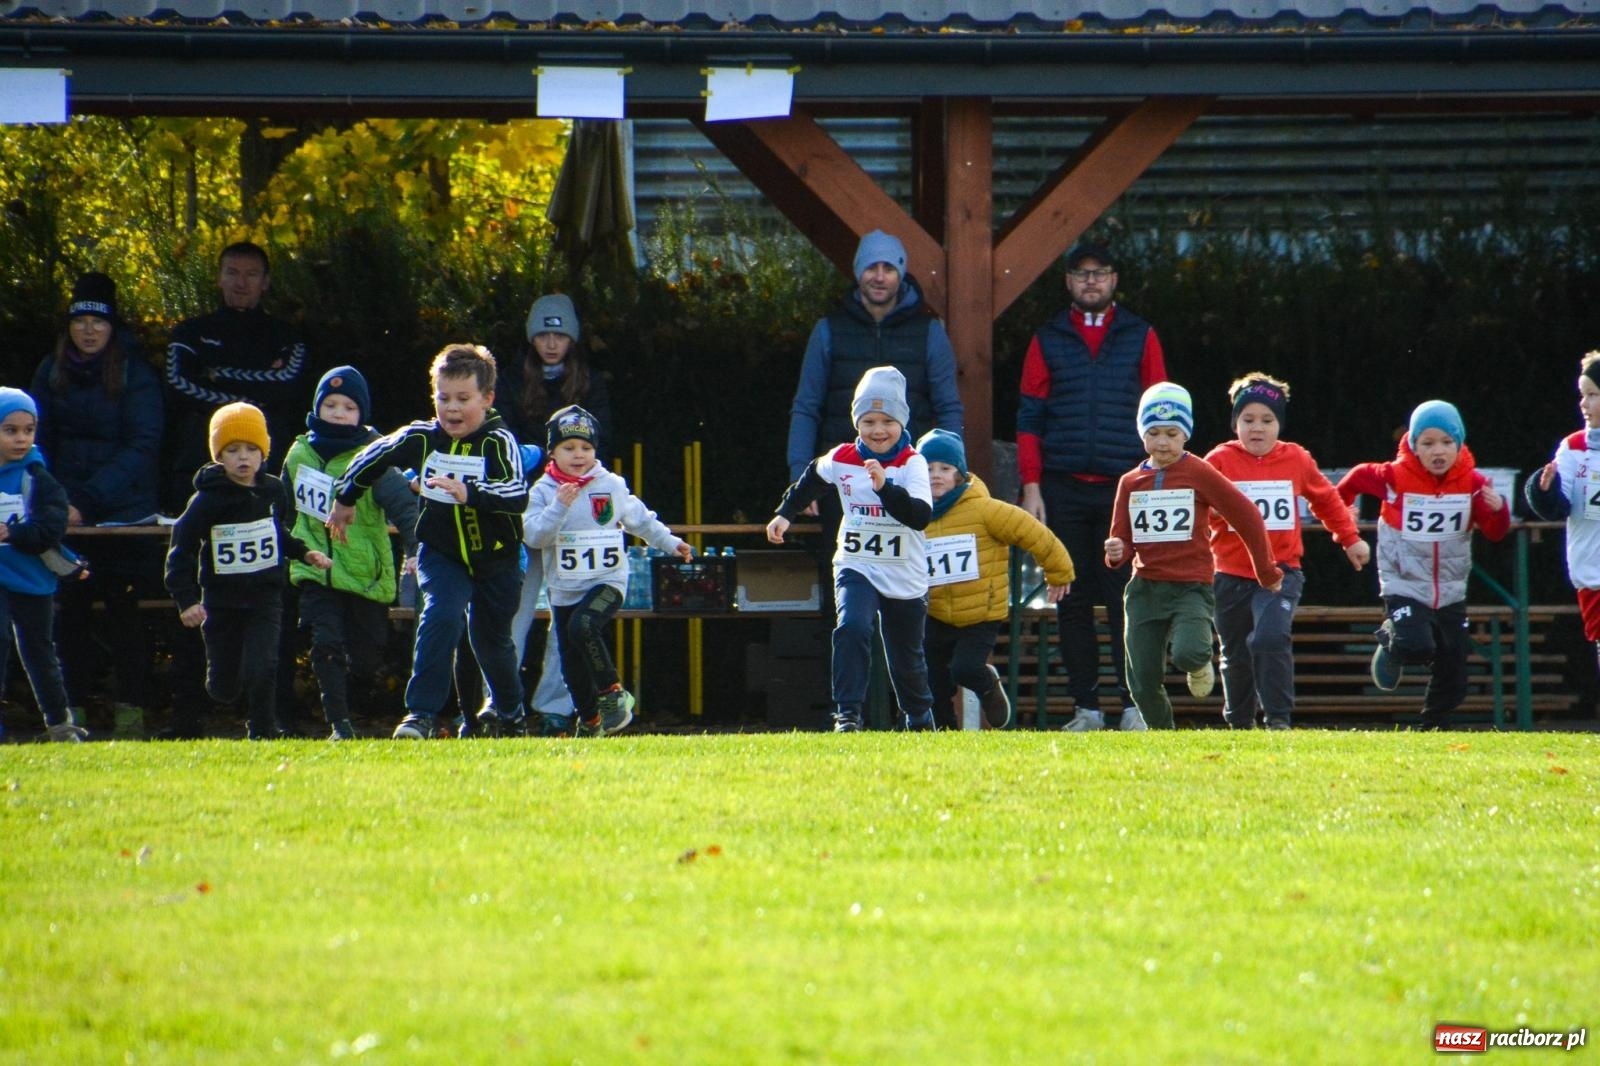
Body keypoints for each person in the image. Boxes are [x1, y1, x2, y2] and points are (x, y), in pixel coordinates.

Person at [329, 344, 528, 741]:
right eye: (443, 398)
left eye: (463, 399)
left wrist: (470, 492)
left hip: (497, 559)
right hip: (442, 552)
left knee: (491, 643)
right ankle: (420, 714)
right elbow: (373, 455)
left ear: (487, 399)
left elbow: (516, 491)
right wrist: (346, 497)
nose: (451, 409)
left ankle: (510, 711)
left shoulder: (499, 441)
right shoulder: (422, 437)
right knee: (440, 615)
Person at [1017, 241, 1168, 732]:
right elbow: (1029, 418)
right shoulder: (1047, 337)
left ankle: (1133, 706)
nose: (1090, 281)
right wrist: (1032, 486)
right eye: (1081, 273)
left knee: (1128, 598)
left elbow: (1161, 414)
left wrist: (1157, 479)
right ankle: (1086, 709)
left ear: (1114, 279)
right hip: (1062, 487)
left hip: (1125, 488)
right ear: (1068, 281)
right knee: (1071, 598)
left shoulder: (1141, 334)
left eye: (1099, 273)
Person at [162, 241, 311, 735]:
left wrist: (218, 377)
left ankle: (274, 716)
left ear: (266, 282)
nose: (241, 282)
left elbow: (289, 385)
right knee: (201, 597)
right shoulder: (191, 333)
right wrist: (252, 389)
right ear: (219, 276)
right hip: (202, 482)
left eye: (251, 273)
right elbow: (178, 385)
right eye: (232, 272)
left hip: (265, 486)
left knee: (273, 597)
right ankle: (188, 714)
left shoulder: (285, 336)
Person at [29, 271, 164, 739]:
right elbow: (36, 439)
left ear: (112, 326)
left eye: (98, 322)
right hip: (64, 511)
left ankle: (132, 712)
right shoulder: (50, 370)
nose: (88, 330)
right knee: (70, 613)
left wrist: (87, 500)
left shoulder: (135, 373)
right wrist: (57, 499)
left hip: (124, 513)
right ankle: (72, 713)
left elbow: (142, 444)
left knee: (125, 613)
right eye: (80, 321)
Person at [1103, 383, 1281, 731]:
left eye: (1172, 434)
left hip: (1190, 586)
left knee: (1189, 653)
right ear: (1141, 434)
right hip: (1144, 588)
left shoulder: (1199, 472)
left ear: (1186, 434)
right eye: (1153, 433)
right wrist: (1116, 551)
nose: (1163, 443)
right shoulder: (1129, 482)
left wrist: (1266, 570)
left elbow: (1247, 515)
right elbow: (1121, 538)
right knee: (1140, 680)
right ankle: (1163, 736)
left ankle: (1200, 664)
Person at [768, 367, 935, 732]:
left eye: (888, 422)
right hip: (856, 562)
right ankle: (847, 715)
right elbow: (813, 476)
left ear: (902, 423)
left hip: (903, 570)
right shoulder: (842, 457)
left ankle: (919, 716)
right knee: (852, 627)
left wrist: (885, 489)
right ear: (856, 423)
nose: (878, 431)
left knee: (905, 657)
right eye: (869, 421)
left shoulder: (912, 463)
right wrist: (785, 513)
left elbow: (920, 516)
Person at [1202, 373, 1370, 730]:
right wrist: (1211, 514)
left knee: (1270, 637)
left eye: (1267, 420)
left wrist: (1349, 538)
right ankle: (1240, 723)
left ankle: (1278, 718)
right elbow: (1195, 504)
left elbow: (1327, 499)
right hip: (1229, 574)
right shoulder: (1218, 460)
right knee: (1235, 652)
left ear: (1279, 424)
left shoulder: (1296, 458)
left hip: (1280, 572)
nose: (1257, 428)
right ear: (1235, 423)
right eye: (1248, 419)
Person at [785, 230, 963, 552]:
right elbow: (806, 406)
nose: (879, 277)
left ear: (901, 273)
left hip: (909, 474)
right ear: (857, 272)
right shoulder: (828, 330)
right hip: (845, 475)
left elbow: (948, 406)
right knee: (840, 571)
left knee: (911, 573)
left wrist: (949, 467)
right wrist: (801, 473)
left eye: (889, 268)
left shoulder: (929, 331)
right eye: (871, 267)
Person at [1338, 400, 1511, 728]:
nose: (1438, 451)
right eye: (1428, 443)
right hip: (1403, 582)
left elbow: (1495, 532)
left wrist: (1498, 509)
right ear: (1414, 445)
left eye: (1446, 442)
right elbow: (1355, 479)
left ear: (1459, 444)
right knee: (1416, 645)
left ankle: (1432, 726)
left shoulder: (1474, 483)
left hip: (1450, 589)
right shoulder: (1394, 476)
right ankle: (1392, 640)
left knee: (1455, 672)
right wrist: (1344, 512)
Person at [163, 402, 331, 739]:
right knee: (223, 687)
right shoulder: (206, 500)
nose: (243, 458)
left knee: (264, 665)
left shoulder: (273, 490)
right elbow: (180, 550)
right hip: (221, 600)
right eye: (233, 450)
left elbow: (277, 533)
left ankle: (262, 729)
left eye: (252, 449)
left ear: (264, 452)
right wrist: (186, 600)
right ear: (218, 456)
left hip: (265, 596)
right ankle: (223, 685)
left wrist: (303, 552)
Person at [523, 405, 690, 737]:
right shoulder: (542, 491)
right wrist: (559, 506)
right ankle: (590, 721)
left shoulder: (610, 484)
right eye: (569, 447)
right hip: (564, 587)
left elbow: (640, 519)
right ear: (552, 452)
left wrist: (671, 543)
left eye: (586, 447)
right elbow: (535, 536)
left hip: (607, 580)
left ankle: (613, 693)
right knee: (570, 663)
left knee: (583, 625)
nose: (578, 455)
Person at [491, 293, 614, 726]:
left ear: (571, 339)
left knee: (568, 614)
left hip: (575, 515)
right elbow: (502, 443)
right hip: (523, 510)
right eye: (543, 334)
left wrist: (571, 474)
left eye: (559, 335)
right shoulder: (509, 381)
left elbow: (601, 444)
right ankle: (500, 703)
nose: (550, 343)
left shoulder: (590, 384)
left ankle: (556, 708)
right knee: (513, 609)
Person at [282, 366, 418, 741]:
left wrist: (413, 550)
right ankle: (339, 724)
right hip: (315, 569)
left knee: (365, 660)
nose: (339, 413)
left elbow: (406, 509)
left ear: (362, 414)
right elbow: (285, 510)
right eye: (330, 405)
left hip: (364, 573)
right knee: (325, 644)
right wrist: (291, 551)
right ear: (316, 409)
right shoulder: (298, 454)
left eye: (349, 407)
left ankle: (354, 702)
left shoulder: (374, 458)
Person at [917, 428, 1075, 731]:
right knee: (931, 676)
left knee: (965, 668)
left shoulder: (985, 509)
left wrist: (1058, 572)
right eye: (928, 468)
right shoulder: (914, 514)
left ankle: (988, 684)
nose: (935, 475)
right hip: (935, 611)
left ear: (959, 474)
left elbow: (1034, 533)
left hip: (981, 613)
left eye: (945, 469)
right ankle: (944, 735)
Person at [0, 389, 82, 742]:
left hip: (31, 577)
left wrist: (13, 532)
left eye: (28, 430)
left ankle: (60, 725)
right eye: (10, 430)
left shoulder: (38, 477)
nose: (21, 439)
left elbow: (51, 528)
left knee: (39, 651)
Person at [1525, 351, 1600, 682]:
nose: (1583, 403)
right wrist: (1544, 490)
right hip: (1593, 573)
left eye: (1593, 395)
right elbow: (1557, 506)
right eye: (1582, 395)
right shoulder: (1573, 447)